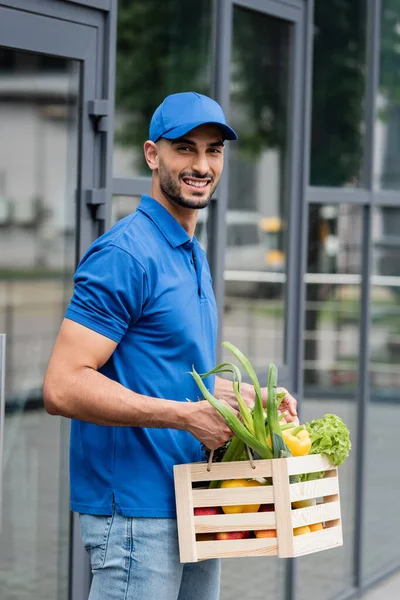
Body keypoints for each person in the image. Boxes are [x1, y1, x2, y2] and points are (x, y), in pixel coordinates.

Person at [43, 91, 297, 600]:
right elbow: (63, 386)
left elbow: (174, 373)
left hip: (193, 500)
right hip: (137, 517)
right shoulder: (126, 253)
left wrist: (246, 401)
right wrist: (184, 418)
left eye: (213, 151)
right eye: (185, 148)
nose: (201, 165)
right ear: (152, 154)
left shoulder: (188, 251)